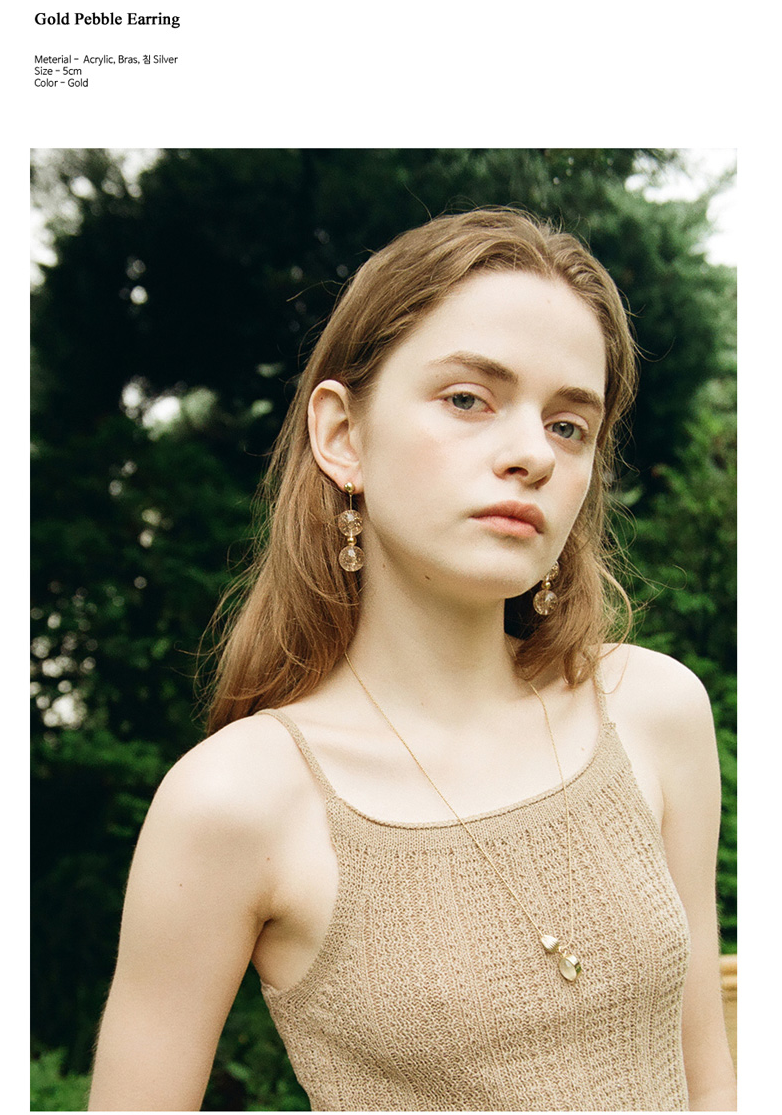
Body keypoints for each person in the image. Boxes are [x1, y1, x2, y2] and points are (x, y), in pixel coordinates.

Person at [88, 208, 737, 1112]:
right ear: (342, 436)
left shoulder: (654, 710)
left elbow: (713, 1084)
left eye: (568, 425)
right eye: (468, 399)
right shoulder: (237, 800)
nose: (531, 454)